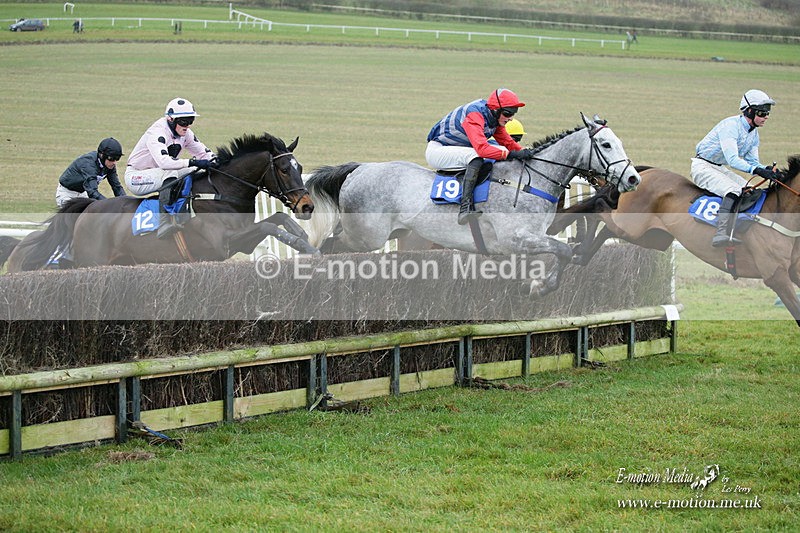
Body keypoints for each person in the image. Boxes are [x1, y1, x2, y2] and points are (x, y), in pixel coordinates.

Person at [426, 88, 535, 225]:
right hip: (438, 150)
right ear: (496, 110)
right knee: (476, 157)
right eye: (508, 113)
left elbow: (508, 143)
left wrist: (528, 153)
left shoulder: (493, 119)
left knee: (499, 150)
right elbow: (482, 149)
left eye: (513, 113)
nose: (511, 118)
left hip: (455, 149)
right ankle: (465, 208)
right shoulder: (475, 114)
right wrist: (512, 154)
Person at [691, 89, 780, 247]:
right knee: (733, 189)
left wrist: (766, 170)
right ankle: (720, 233)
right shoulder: (730, 126)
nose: (766, 117)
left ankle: (741, 227)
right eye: (762, 113)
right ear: (750, 111)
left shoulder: (753, 134)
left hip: (718, 167)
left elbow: (753, 162)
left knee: (751, 189)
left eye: (768, 113)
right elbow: (733, 160)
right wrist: (758, 170)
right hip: (702, 166)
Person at [125, 97, 217, 238]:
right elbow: (164, 163)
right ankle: (163, 223)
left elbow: (204, 153)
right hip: (137, 177)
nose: (187, 126)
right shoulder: (157, 133)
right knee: (172, 172)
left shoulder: (186, 134)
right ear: (170, 119)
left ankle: (185, 212)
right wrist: (193, 162)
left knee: (193, 171)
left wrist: (219, 162)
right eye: (183, 121)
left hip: (159, 174)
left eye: (191, 121)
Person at [55, 137, 126, 208]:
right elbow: (92, 192)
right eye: (112, 158)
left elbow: (116, 187)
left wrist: (126, 203)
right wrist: (108, 205)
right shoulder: (88, 164)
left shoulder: (109, 165)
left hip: (83, 193)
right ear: (102, 155)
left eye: (117, 159)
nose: (114, 162)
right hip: (67, 194)